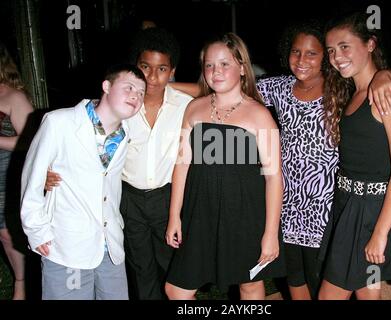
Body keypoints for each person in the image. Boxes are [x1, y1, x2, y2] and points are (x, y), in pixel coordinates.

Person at [170, 22, 391, 300]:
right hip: (289, 208)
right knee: (296, 279)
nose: (302, 60)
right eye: (296, 52)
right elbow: (225, 84)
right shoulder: (279, 88)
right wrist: (161, 85)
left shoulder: (342, 87)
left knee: (332, 282)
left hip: (326, 208)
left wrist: (385, 75)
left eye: (312, 53)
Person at [164, 33, 286, 300]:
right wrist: (175, 215)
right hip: (200, 214)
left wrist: (270, 233)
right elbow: (182, 165)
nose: (215, 71)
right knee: (175, 290)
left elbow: (274, 178)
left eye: (224, 64)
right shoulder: (194, 109)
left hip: (246, 215)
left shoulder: (259, 114)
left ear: (242, 67)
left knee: (250, 286)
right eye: (209, 65)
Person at [318, 12, 391, 300]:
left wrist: (380, 232)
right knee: (368, 293)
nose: (336, 56)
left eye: (344, 46)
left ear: (370, 45)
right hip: (349, 205)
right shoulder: (356, 93)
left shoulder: (386, 94)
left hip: (372, 213)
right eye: (330, 50)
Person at [21, 64, 146, 300]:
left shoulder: (126, 132)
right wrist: (36, 231)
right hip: (68, 245)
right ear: (106, 86)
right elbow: (32, 178)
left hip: (110, 247)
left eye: (141, 93)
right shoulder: (60, 123)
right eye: (129, 87)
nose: (135, 96)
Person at [0, 41, 34, 300]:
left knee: (7, 233)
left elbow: (32, 141)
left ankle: (21, 283)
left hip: (6, 176)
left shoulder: (13, 97)